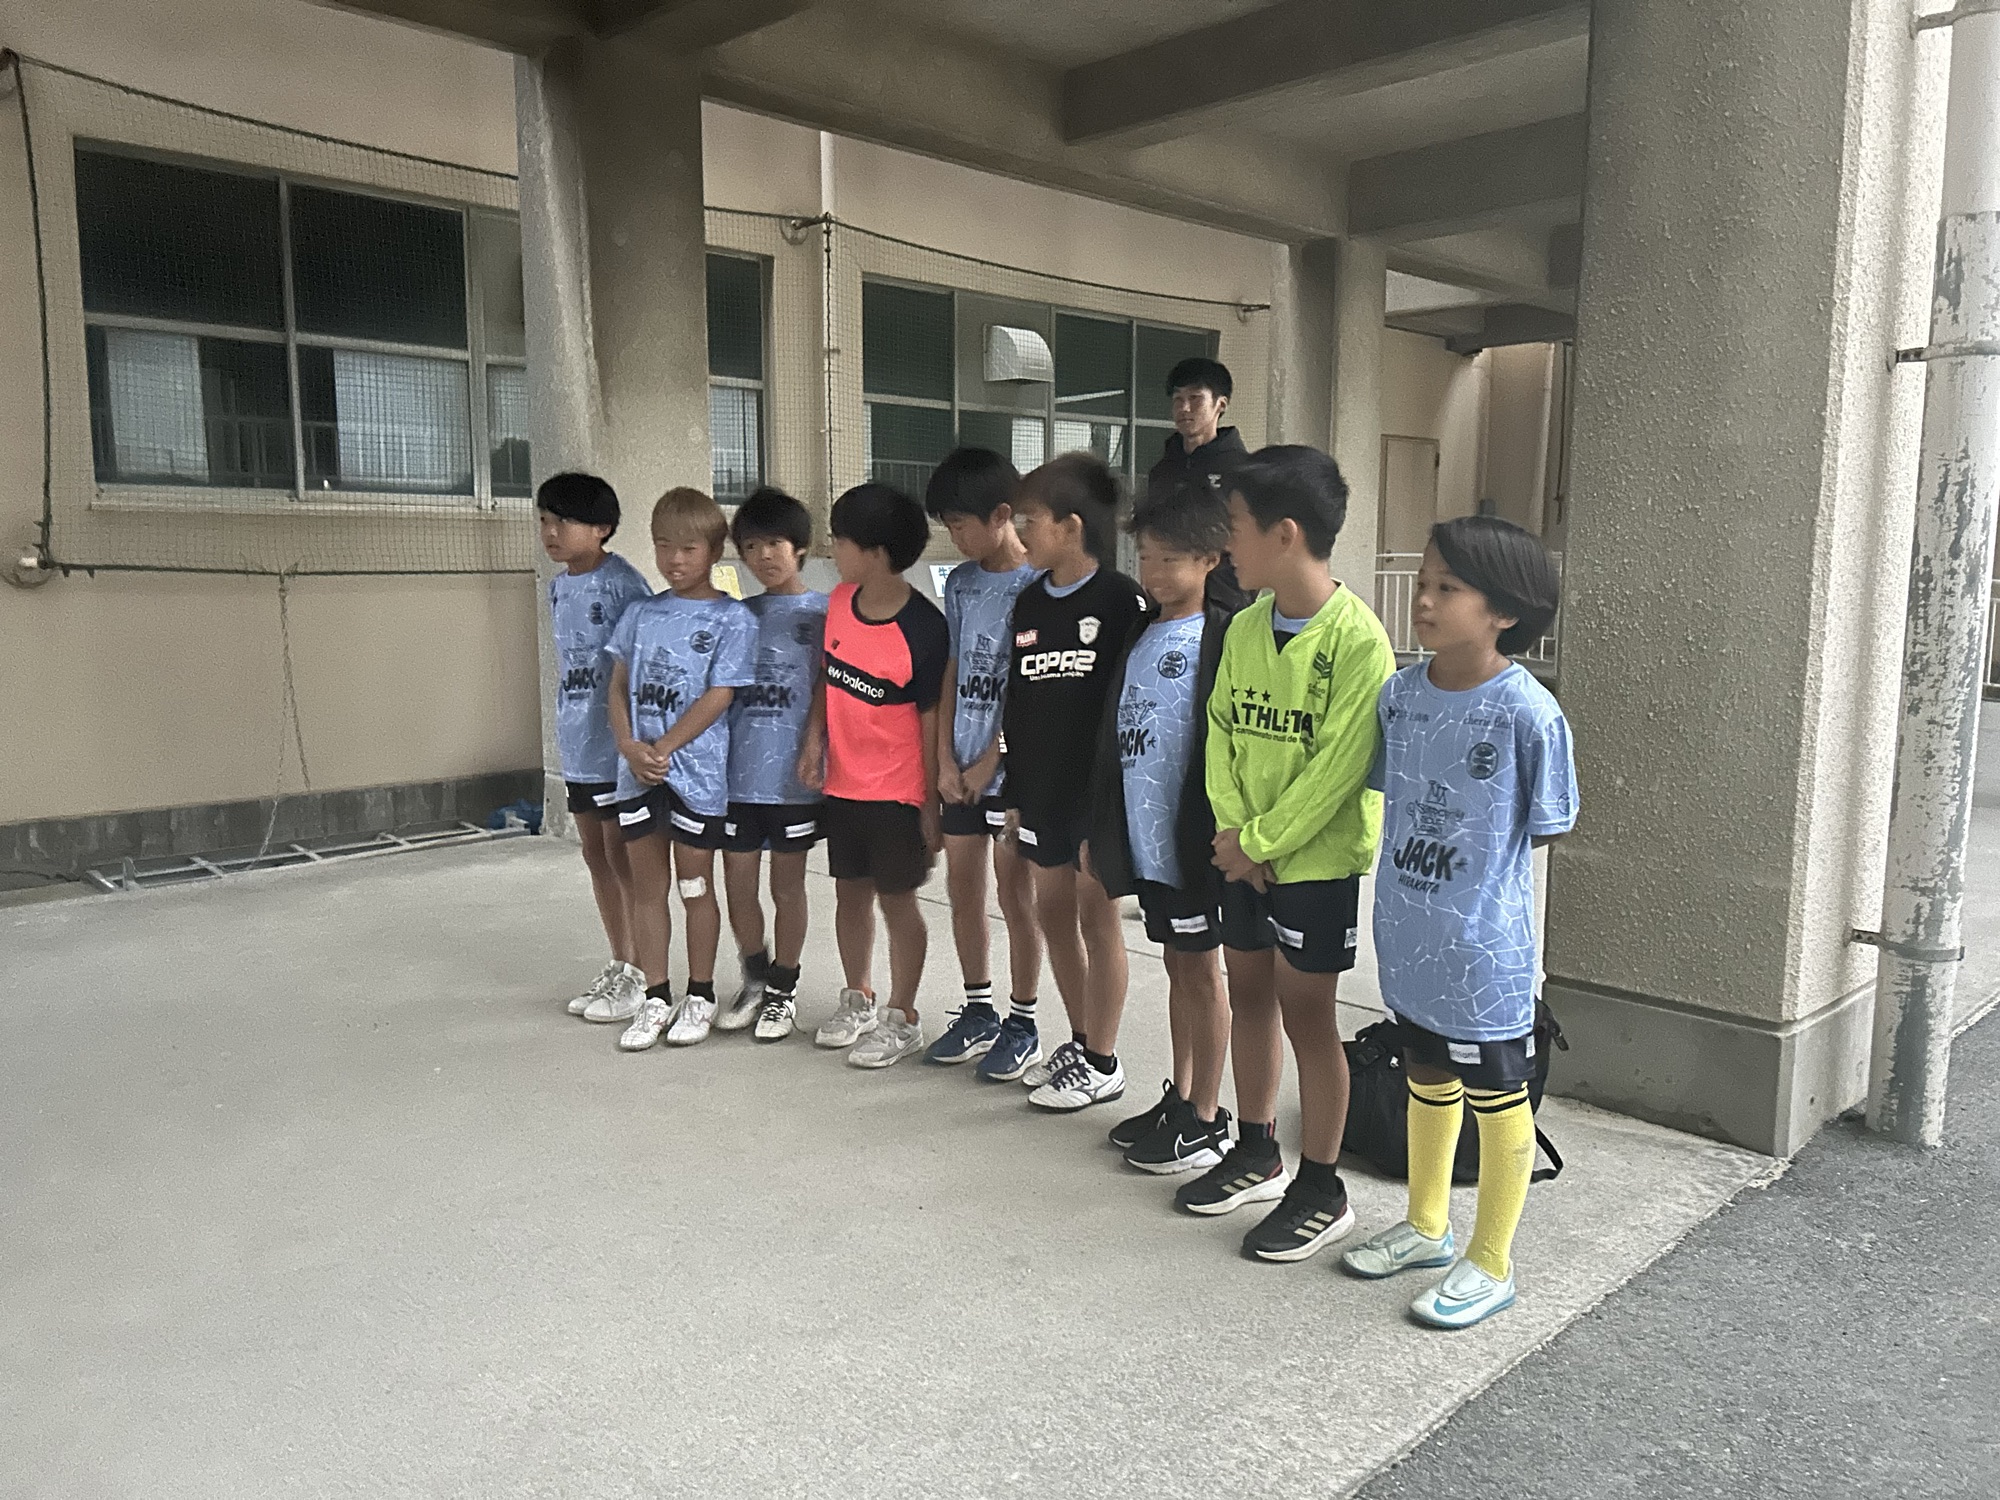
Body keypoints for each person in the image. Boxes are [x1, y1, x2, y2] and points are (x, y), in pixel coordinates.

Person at [1340, 517, 1576, 1329]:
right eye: (1424, 583)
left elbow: (1546, 825)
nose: (1425, 601)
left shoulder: (1528, 714)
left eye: (1449, 588)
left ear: (1504, 610)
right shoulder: (1399, 696)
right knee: (1426, 1079)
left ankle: (1491, 1260)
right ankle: (1426, 1225)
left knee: (1499, 1100)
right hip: (1408, 937)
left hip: (1483, 953)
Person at [1177, 445, 1395, 1266]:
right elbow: (1221, 732)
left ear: (1286, 533)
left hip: (1315, 865)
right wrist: (1238, 836)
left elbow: (1341, 767)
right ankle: (1256, 1146)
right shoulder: (1243, 627)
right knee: (1250, 995)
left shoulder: (1359, 641)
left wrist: (1262, 842)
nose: (1225, 542)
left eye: (1235, 526)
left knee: (1309, 1015)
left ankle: (1323, 1186)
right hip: (1245, 856)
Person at [1086, 484, 1240, 1172]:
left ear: (1210, 559)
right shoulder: (1141, 632)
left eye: (1170, 559)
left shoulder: (1224, 636)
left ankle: (1207, 1116)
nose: (1153, 573)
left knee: (1202, 973)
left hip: (1193, 843)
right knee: (1178, 967)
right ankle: (1182, 1094)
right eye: (1145, 557)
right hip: (1145, 839)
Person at [1001, 453, 1147, 1111]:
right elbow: (1019, 703)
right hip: (1039, 791)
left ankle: (1104, 1062)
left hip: (1097, 797)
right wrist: (1013, 793)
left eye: (1030, 520)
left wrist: (1112, 804)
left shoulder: (1121, 601)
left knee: (1097, 918)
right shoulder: (1029, 601)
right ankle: (1082, 1041)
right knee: (1053, 913)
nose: (1020, 532)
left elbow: (1129, 708)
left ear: (1071, 526)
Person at [796, 482, 948, 1069]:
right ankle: (857, 996)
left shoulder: (924, 628)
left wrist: (929, 803)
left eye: (841, 540)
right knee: (849, 894)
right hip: (843, 785)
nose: (832, 549)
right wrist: (815, 738)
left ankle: (902, 1016)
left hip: (897, 793)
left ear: (877, 552)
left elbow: (932, 721)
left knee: (897, 902)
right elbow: (828, 676)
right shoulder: (839, 601)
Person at [603, 488, 756, 1051]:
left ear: (714, 550)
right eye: (663, 546)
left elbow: (720, 694)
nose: (674, 559)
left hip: (696, 779)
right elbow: (616, 686)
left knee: (695, 887)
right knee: (648, 890)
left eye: (688, 548)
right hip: (638, 776)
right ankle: (655, 997)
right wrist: (629, 745)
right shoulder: (639, 614)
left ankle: (700, 994)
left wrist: (665, 745)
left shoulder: (733, 619)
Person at [919, 449, 1046, 1080]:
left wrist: (991, 758)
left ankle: (1023, 1022)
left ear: (1002, 515)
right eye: (947, 525)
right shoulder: (961, 583)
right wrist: (945, 758)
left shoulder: (1038, 584)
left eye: (961, 525)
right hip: (960, 763)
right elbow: (952, 668)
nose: (954, 537)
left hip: (1010, 770)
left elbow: (1029, 689)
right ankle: (978, 1011)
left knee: (1015, 894)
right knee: (962, 888)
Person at [540, 472, 655, 1026]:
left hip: (616, 745)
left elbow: (642, 664)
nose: (551, 532)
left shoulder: (624, 586)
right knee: (594, 853)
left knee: (621, 854)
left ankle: (642, 970)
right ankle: (619, 959)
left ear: (602, 527)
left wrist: (637, 741)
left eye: (563, 521)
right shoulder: (558, 587)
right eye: (544, 520)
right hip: (577, 743)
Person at [714, 487, 828, 1043]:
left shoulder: (826, 613)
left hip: (794, 781)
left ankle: (784, 988)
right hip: (738, 779)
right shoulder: (738, 615)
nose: (763, 556)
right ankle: (755, 977)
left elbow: (831, 688)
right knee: (738, 885)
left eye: (775, 543)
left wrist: (815, 744)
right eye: (751, 546)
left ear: (799, 547)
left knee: (788, 887)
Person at [1145, 356, 1251, 610]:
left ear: (1220, 405)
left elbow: (1251, 538)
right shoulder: (1163, 470)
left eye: (1195, 398)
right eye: (1177, 399)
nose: (1184, 408)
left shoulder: (1242, 469)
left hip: (1224, 599)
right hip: (1166, 597)